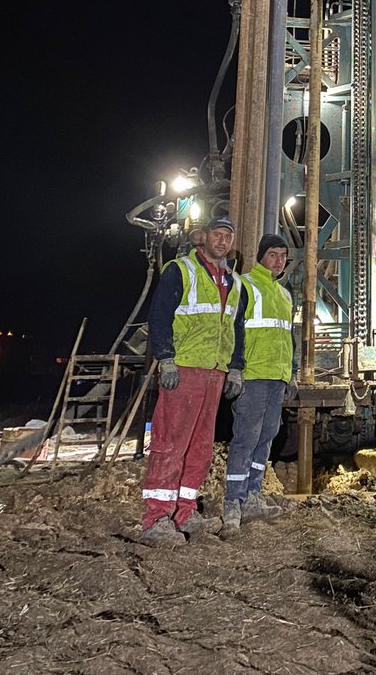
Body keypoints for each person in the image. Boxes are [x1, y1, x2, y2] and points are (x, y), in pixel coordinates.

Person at [141, 216, 245, 545]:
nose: (223, 241)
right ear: (204, 238)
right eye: (217, 234)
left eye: (228, 236)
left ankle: (184, 511)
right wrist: (166, 358)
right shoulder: (181, 270)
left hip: (214, 371)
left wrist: (236, 367)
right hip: (184, 368)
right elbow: (159, 315)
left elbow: (236, 329)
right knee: (171, 442)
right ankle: (156, 517)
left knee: (200, 447)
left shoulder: (234, 282)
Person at [222, 233, 298, 533]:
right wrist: (235, 368)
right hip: (253, 375)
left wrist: (291, 372)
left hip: (276, 377)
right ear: (261, 256)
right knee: (245, 439)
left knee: (266, 438)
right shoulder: (245, 285)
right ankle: (232, 502)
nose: (278, 261)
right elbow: (235, 329)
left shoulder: (284, 294)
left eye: (283, 256)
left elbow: (287, 336)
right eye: (273, 255)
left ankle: (253, 495)